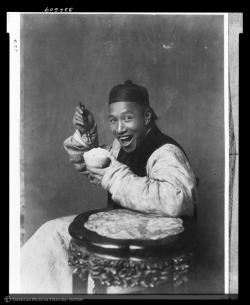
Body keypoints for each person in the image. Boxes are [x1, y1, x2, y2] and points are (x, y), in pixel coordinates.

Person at [20, 80, 198, 293]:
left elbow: (175, 201)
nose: (119, 129)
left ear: (147, 117)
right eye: (113, 121)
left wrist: (115, 175)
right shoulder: (121, 148)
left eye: (128, 118)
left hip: (150, 249)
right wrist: (87, 135)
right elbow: (98, 167)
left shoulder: (165, 151)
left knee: (105, 284)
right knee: (51, 234)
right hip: (120, 235)